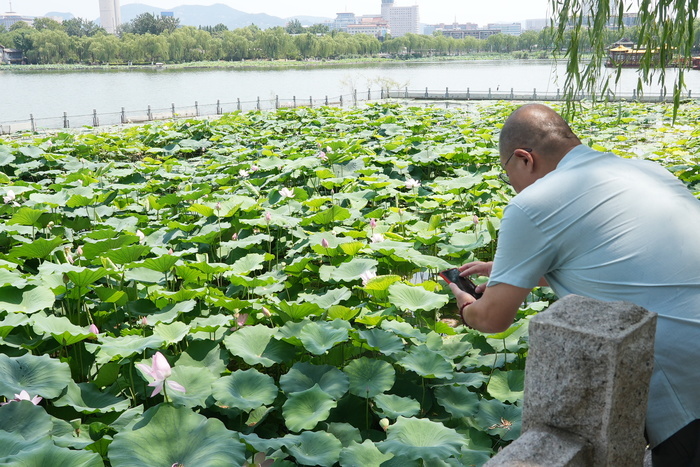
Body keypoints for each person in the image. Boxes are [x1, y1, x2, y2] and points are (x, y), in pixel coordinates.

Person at [447, 103, 700, 466]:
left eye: (507, 173)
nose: (512, 185)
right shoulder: (645, 169)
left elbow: (493, 319)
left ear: (523, 159)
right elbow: (613, 263)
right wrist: (507, 273)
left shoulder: (533, 203)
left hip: (687, 386)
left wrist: (465, 306)